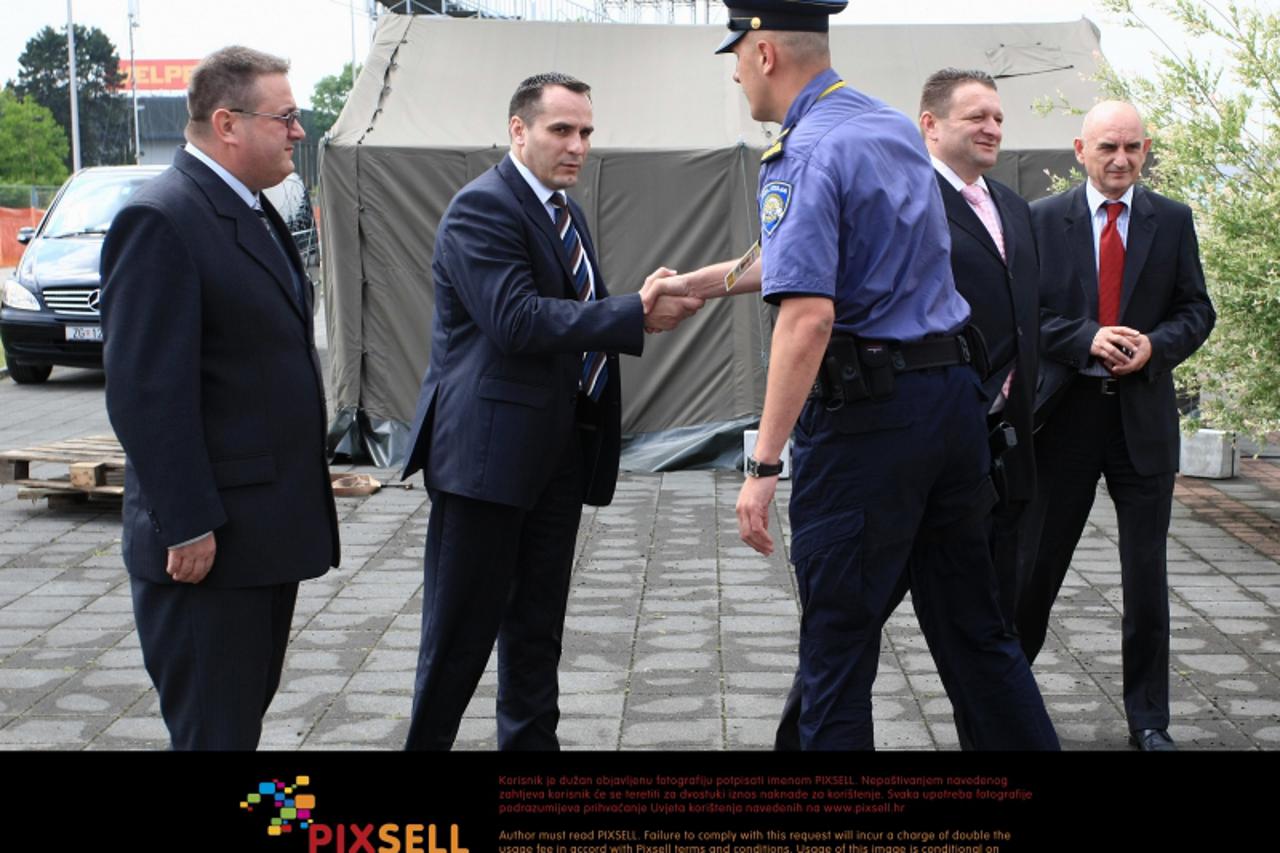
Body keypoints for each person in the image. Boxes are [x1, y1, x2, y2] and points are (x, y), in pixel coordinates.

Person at [671, 2, 1058, 750]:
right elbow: (799, 252)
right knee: (979, 638)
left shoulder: (805, 150)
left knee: (838, 652)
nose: (735, 72)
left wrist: (763, 462)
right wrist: (695, 285)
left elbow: (808, 316)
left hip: (869, 423)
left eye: (736, 54)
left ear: (764, 52)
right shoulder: (884, 125)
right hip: (950, 409)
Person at [399, 72, 702, 750]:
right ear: (518, 130)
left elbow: (566, 316)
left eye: (586, 131)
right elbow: (516, 321)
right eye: (561, 129)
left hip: (555, 456)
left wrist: (633, 313)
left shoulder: (564, 211)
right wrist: (629, 312)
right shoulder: (483, 208)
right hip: (484, 465)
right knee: (457, 642)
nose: (577, 145)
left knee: (536, 635)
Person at [100, 46, 339, 750]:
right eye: (287, 117)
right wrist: (185, 522)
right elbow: (147, 392)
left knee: (236, 727)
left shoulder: (250, 210)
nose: (300, 131)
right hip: (210, 548)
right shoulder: (164, 218)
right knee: (215, 733)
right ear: (229, 124)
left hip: (258, 536)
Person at [1017, 101, 1215, 752]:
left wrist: (1156, 345)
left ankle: (1149, 721)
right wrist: (1088, 338)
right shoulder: (1043, 221)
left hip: (1143, 424)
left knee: (1146, 579)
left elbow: (1196, 310)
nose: (1121, 159)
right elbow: (1025, 314)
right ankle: (1007, 709)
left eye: (1133, 147)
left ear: (1146, 148)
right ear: (1080, 149)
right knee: (1035, 571)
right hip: (1064, 418)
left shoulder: (1172, 220)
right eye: (1108, 147)